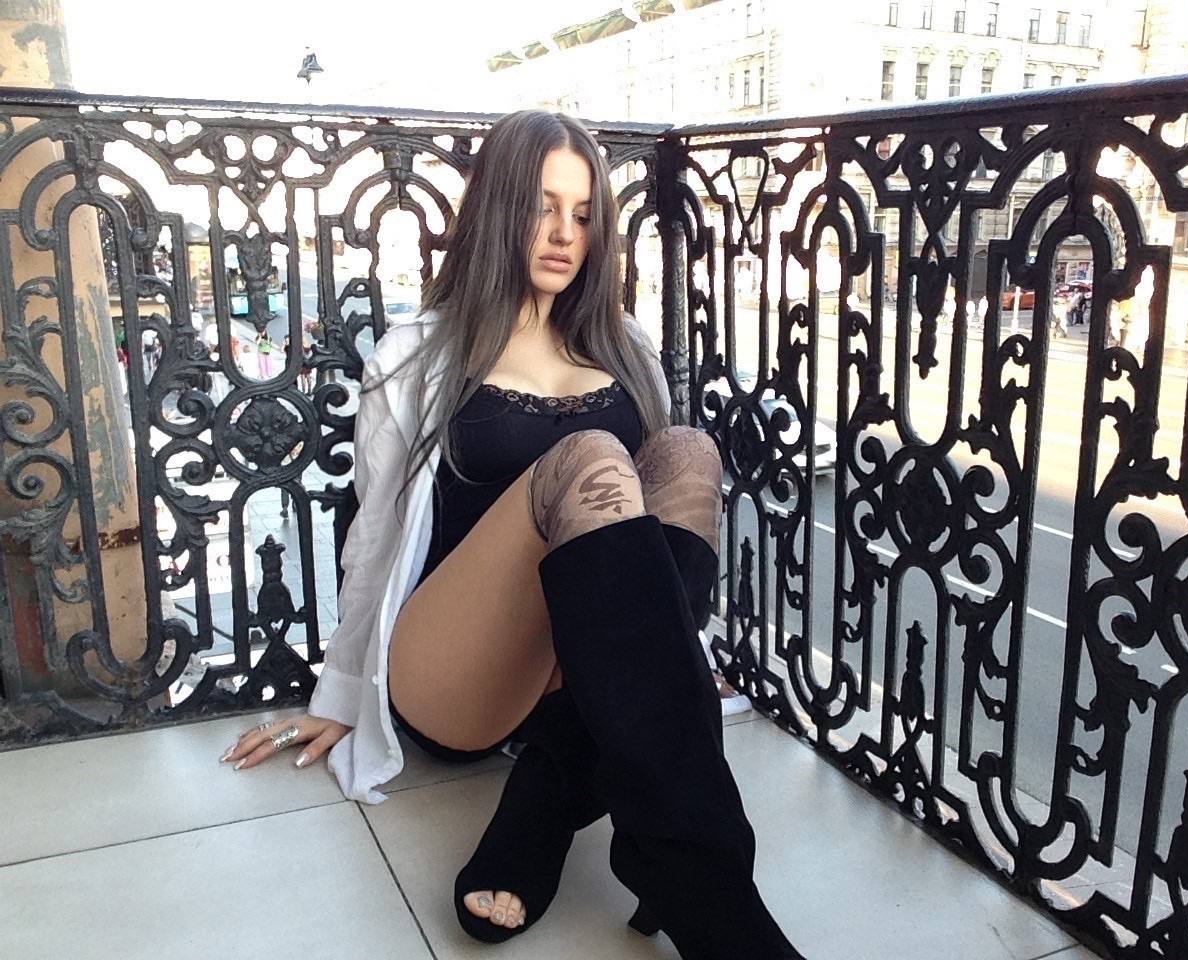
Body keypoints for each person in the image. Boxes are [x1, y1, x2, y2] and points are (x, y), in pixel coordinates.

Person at [217, 111, 804, 959]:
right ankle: (706, 892)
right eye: (541, 207)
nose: (565, 234)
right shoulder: (417, 356)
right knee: (591, 457)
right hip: (457, 669)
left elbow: (645, 548)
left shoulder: (625, 347)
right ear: (498, 210)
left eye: (583, 213)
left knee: (686, 451)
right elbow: (374, 533)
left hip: (572, 682)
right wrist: (339, 693)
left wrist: (679, 659)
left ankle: (551, 799)